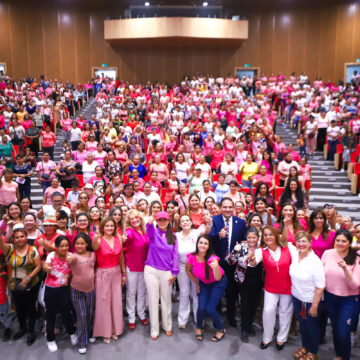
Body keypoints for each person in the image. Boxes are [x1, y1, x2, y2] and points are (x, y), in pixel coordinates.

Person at [248, 225, 297, 350]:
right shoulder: (261, 251)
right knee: (268, 311)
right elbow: (253, 263)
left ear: (276, 235)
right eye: (265, 235)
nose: (268, 237)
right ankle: (267, 338)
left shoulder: (288, 247)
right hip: (271, 287)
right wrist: (252, 260)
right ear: (262, 238)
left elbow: (298, 262)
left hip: (288, 287)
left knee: (285, 312)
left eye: (270, 234)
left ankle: (282, 338)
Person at [321, 229, 360, 360]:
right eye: (338, 240)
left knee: (343, 332)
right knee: (336, 329)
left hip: (348, 300)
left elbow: (355, 285)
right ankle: (340, 355)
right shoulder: (327, 253)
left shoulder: (356, 257)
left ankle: (345, 356)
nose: (340, 243)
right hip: (330, 297)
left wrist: (345, 269)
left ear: (350, 243)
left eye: (344, 241)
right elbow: (321, 274)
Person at [209, 197, 246, 327]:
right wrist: (218, 235)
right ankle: (216, 316)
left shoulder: (240, 222)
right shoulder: (214, 220)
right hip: (217, 263)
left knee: (232, 291)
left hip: (234, 264)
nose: (227, 209)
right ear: (221, 208)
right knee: (217, 291)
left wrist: (240, 247)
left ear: (233, 208)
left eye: (230, 207)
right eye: (224, 207)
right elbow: (208, 238)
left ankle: (231, 316)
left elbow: (244, 241)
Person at [0, 227, 41, 346]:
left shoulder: (32, 249)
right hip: (14, 285)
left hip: (31, 284)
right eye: (16, 237)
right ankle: (22, 329)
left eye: (22, 236)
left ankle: (31, 332)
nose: (19, 239)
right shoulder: (9, 249)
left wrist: (28, 278)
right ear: (13, 239)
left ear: (26, 237)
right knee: (19, 309)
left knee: (31, 309)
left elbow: (38, 266)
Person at [290, 232, 325, 360]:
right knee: (303, 325)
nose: (301, 244)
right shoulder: (295, 254)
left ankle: (313, 352)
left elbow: (320, 286)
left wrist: (315, 306)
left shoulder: (314, 261)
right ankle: (305, 346)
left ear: (310, 243)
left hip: (309, 300)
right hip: (297, 296)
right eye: (298, 241)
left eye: (304, 241)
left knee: (311, 326)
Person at [144, 211, 179, 340]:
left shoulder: (173, 236)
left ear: (169, 221)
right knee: (153, 301)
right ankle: (154, 330)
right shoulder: (153, 232)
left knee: (166, 300)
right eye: (160, 220)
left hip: (167, 272)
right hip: (151, 270)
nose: (162, 222)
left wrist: (175, 272)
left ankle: (167, 326)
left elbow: (175, 255)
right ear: (156, 221)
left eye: (165, 219)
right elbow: (149, 230)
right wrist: (150, 221)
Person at [186, 235, 227, 342]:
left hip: (218, 283)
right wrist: (196, 284)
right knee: (201, 307)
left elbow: (218, 278)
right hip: (204, 283)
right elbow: (188, 270)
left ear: (208, 246)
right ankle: (198, 327)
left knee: (210, 308)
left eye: (205, 243)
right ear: (197, 244)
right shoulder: (192, 257)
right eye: (201, 242)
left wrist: (216, 267)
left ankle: (221, 329)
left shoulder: (212, 259)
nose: (202, 245)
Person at [226, 227, 264, 342]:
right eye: (249, 237)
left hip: (257, 280)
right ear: (246, 238)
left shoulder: (262, 249)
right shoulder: (241, 247)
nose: (251, 240)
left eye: (254, 237)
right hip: (243, 281)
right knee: (245, 304)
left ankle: (250, 324)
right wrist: (235, 251)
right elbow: (229, 261)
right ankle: (244, 328)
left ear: (258, 238)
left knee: (254, 304)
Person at [92, 217, 126, 343]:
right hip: (102, 274)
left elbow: (121, 258)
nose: (110, 228)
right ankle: (105, 332)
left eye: (112, 226)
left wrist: (124, 274)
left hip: (116, 273)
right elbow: (94, 246)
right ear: (102, 227)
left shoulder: (118, 239)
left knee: (116, 302)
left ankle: (115, 330)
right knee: (103, 303)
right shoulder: (98, 240)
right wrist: (95, 237)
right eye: (107, 226)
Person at [176, 213, 213, 329]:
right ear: (180, 224)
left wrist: (209, 222)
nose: (185, 222)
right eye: (182, 221)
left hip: (196, 267)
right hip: (182, 267)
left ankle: (199, 319)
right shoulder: (176, 235)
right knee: (184, 293)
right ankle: (182, 320)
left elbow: (207, 231)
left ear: (191, 222)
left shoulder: (196, 233)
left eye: (187, 220)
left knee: (197, 293)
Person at [43, 235, 77, 352]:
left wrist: (70, 275)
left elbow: (74, 271)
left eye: (66, 245)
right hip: (51, 290)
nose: (64, 248)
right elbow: (46, 265)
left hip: (64, 290)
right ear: (56, 247)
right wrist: (46, 267)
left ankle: (72, 333)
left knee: (67, 313)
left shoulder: (70, 256)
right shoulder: (51, 256)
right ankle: (50, 339)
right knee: (50, 315)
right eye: (61, 246)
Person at [66, 233, 96, 354]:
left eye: (82, 243)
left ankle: (88, 333)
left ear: (87, 244)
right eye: (77, 243)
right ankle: (81, 342)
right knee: (82, 316)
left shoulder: (93, 255)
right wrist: (70, 258)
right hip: (77, 290)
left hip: (91, 290)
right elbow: (69, 259)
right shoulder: (73, 256)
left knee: (89, 313)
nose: (79, 246)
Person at [122, 210, 149, 330]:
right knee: (131, 293)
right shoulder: (129, 232)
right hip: (132, 267)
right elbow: (125, 238)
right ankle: (131, 317)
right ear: (129, 221)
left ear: (140, 218)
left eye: (136, 217)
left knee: (142, 292)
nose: (134, 220)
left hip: (144, 267)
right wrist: (123, 238)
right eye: (132, 218)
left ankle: (141, 313)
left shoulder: (145, 231)